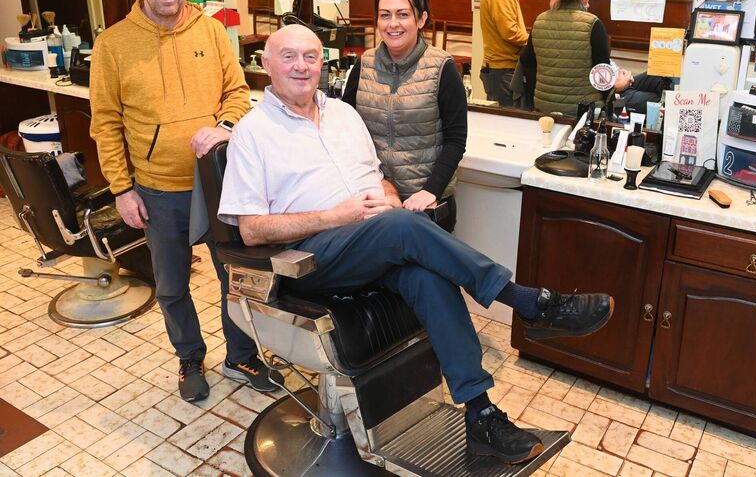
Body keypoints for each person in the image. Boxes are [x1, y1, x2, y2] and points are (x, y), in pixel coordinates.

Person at [218, 24, 614, 465]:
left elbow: (380, 176)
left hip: (369, 242)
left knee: (428, 276)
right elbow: (250, 229)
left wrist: (388, 198)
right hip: (308, 259)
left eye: (310, 56)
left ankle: (480, 413)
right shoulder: (253, 133)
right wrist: (340, 216)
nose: (301, 66)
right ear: (266, 64)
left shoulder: (343, 116)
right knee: (405, 228)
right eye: (288, 56)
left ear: (322, 63)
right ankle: (527, 302)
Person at [89, 0, 284, 403]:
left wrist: (223, 125)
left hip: (219, 185)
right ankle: (189, 357)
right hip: (156, 189)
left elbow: (238, 92)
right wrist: (122, 189)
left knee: (234, 277)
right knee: (173, 285)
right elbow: (105, 124)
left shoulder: (212, 31)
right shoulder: (113, 45)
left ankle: (240, 355)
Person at [342, 0, 467, 231]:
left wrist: (429, 192)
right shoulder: (364, 65)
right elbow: (345, 132)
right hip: (375, 202)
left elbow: (456, 140)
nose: (393, 24)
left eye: (402, 15)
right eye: (385, 15)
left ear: (421, 19)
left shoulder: (441, 67)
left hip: (424, 205)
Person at [516, 0, 609, 116]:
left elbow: (528, 62)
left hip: (544, 111)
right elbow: (603, 75)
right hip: (582, 113)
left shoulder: (540, 21)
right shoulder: (593, 24)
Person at [478, 0, 530, 108]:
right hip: (502, 71)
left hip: (504, 70)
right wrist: (534, 41)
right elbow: (510, 31)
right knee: (506, 125)